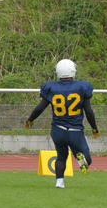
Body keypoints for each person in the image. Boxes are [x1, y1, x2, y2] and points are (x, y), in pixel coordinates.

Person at [24, 58, 99, 188]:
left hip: (57, 129)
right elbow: (88, 111)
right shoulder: (82, 87)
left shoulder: (51, 87)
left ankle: (59, 182)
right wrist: (94, 128)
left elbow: (40, 108)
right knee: (87, 160)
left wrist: (30, 120)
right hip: (75, 131)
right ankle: (80, 159)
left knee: (61, 156)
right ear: (73, 71)